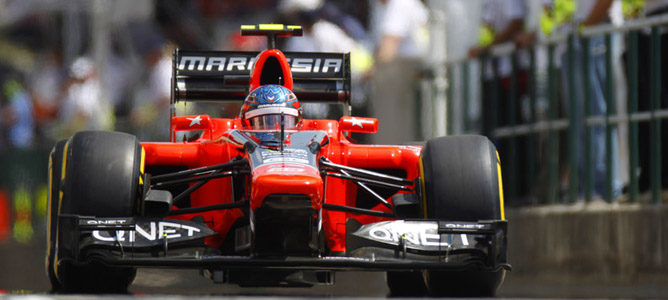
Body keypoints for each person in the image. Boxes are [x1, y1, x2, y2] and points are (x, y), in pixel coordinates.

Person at [368, 0, 428, 144]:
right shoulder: (387, 5)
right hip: (405, 66)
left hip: (401, 66)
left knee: (389, 119)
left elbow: (389, 47)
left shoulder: (399, 4)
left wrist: (369, 71)